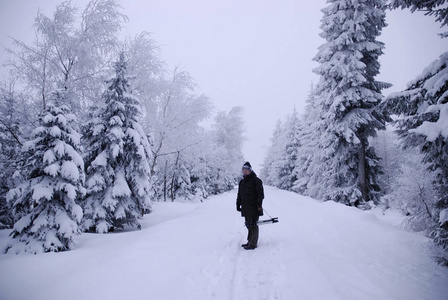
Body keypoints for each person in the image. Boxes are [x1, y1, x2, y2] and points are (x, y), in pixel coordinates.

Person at [236, 161, 264, 250]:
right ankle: (249, 241)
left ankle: (253, 243)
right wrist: (238, 204)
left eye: (246, 170)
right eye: (243, 170)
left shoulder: (256, 181)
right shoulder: (242, 182)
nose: (244, 172)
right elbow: (239, 194)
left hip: (254, 207)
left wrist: (259, 205)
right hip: (245, 207)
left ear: (250, 170)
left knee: (253, 224)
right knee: (248, 224)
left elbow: (260, 194)